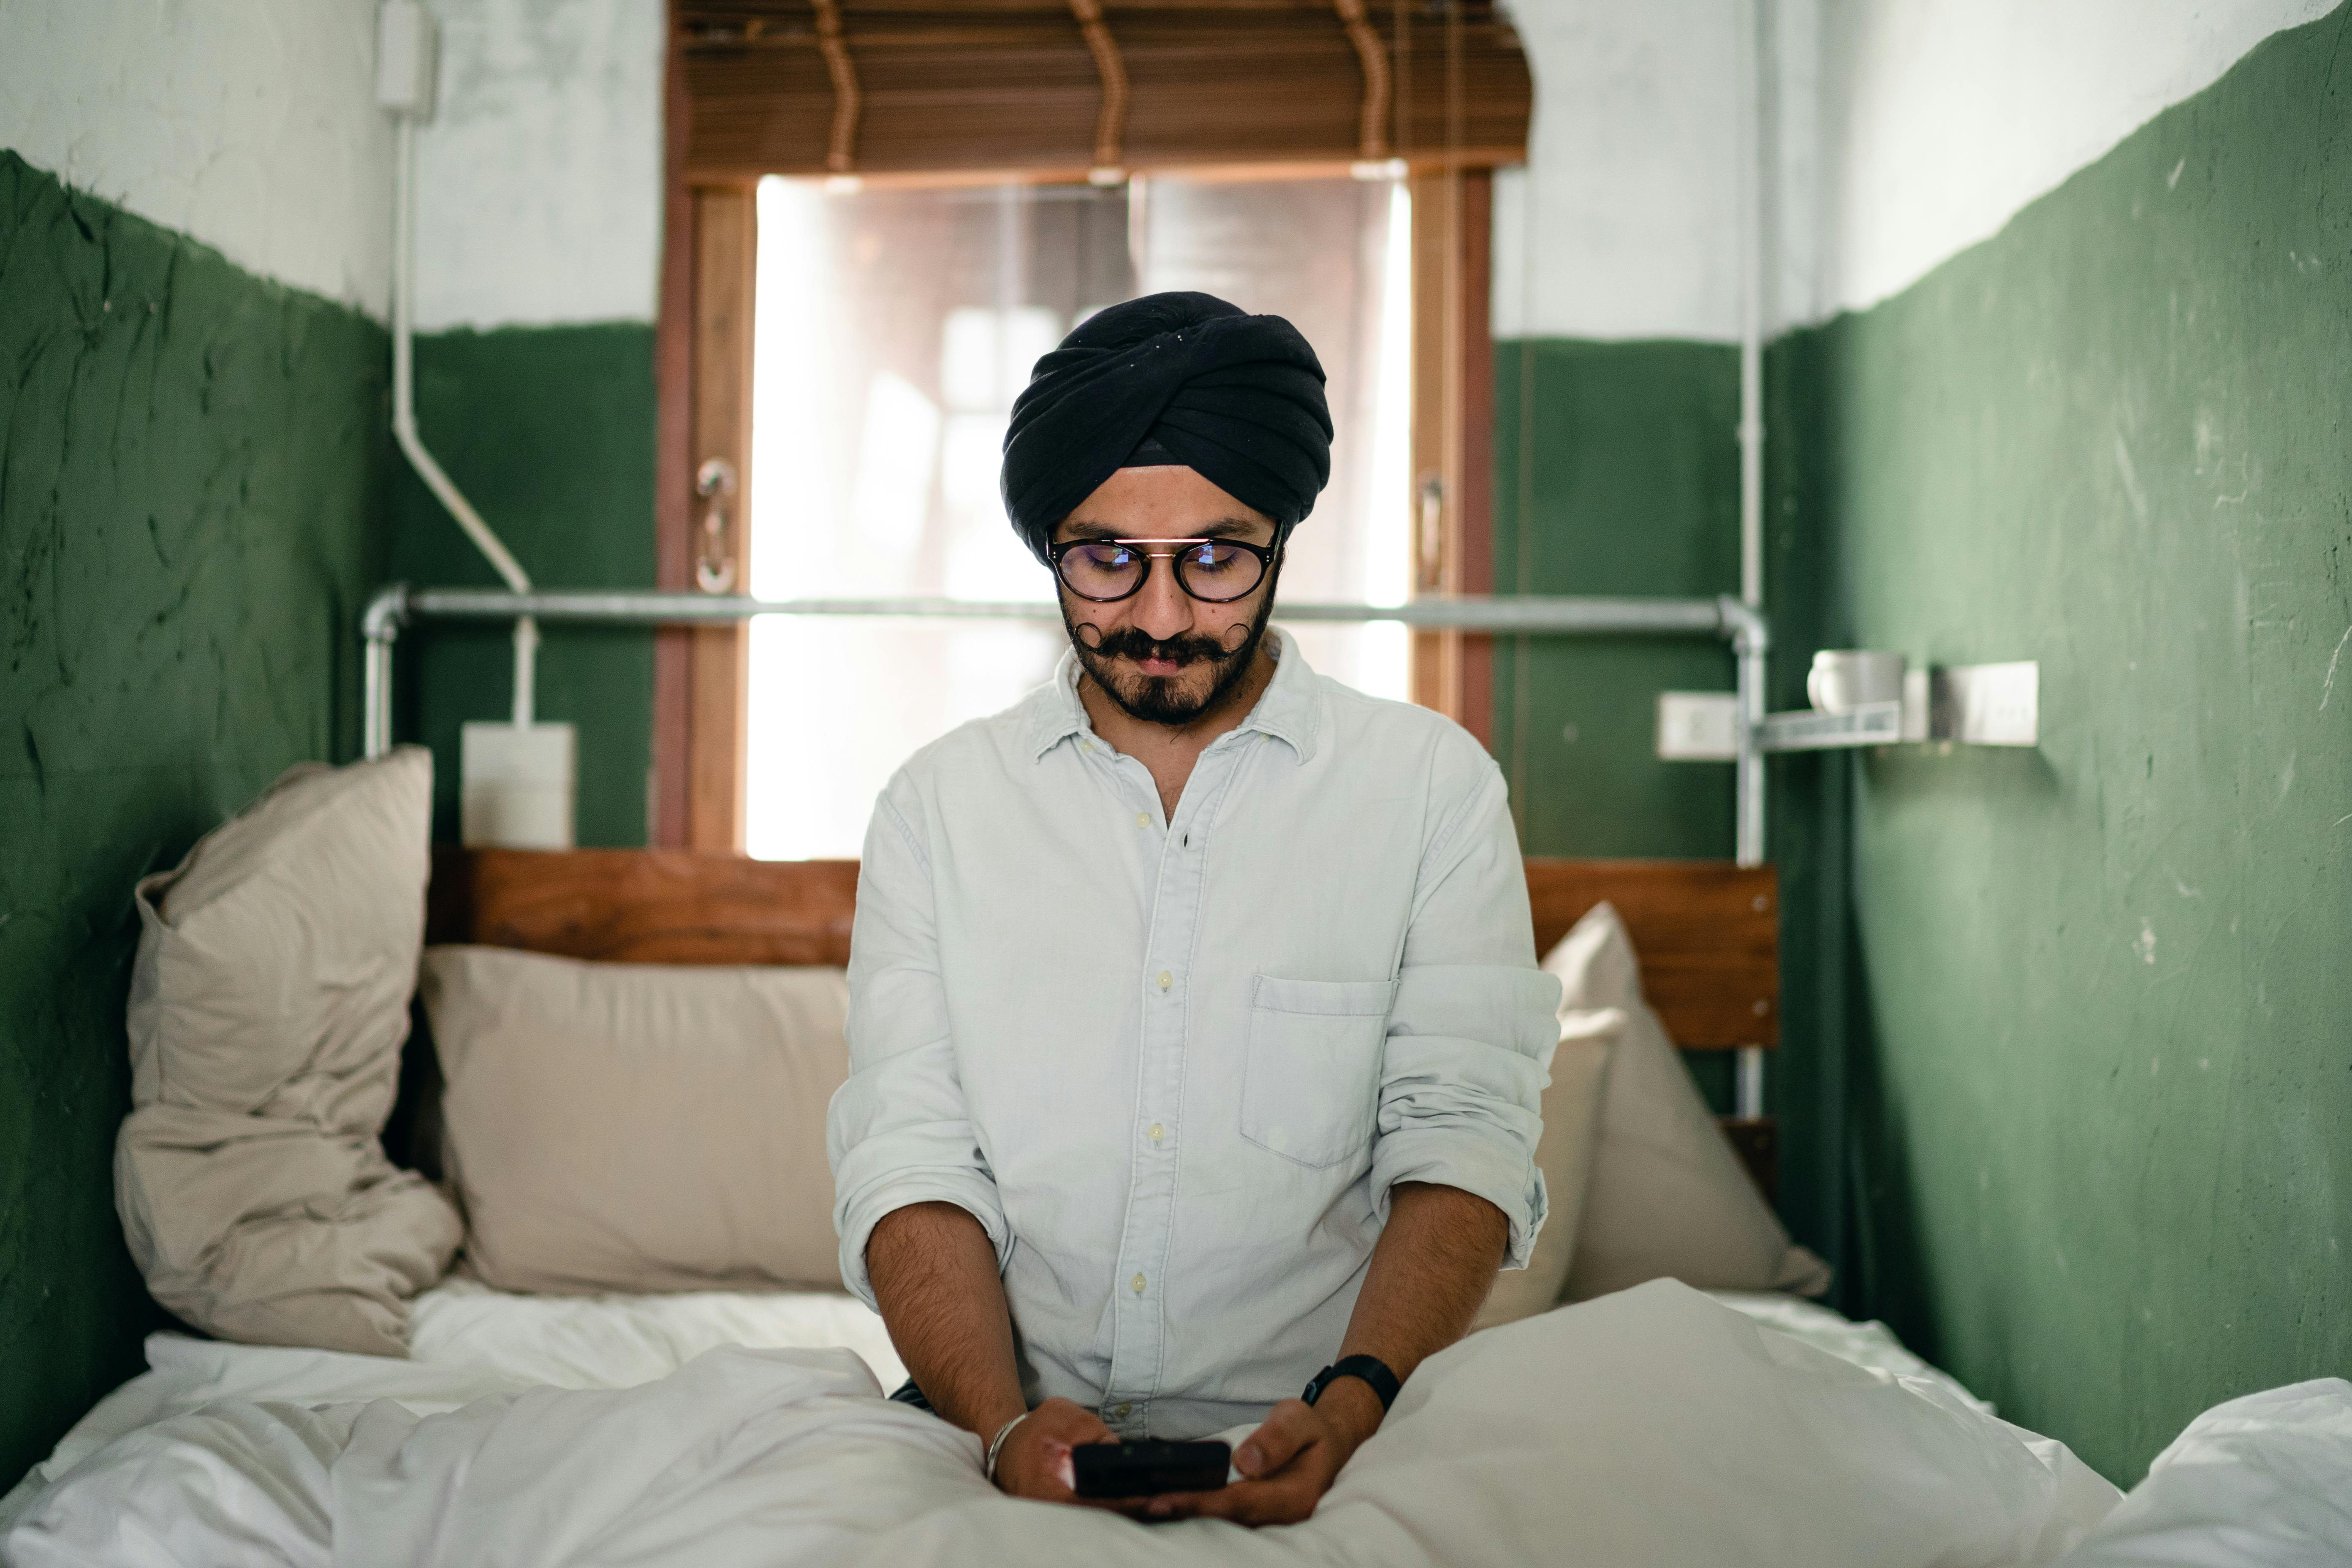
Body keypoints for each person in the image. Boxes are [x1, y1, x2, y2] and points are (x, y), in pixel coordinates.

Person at [826, 291, 1559, 1526]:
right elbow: (911, 1156)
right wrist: (1002, 1427)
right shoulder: (934, 810)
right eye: (1106, 557)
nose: (1161, 618)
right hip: (990, 1430)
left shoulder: (1431, 792)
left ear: (1281, 538)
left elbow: (1462, 1135)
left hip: (1346, 1428)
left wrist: (1352, 1403)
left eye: (1215, 559)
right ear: (1047, 540)